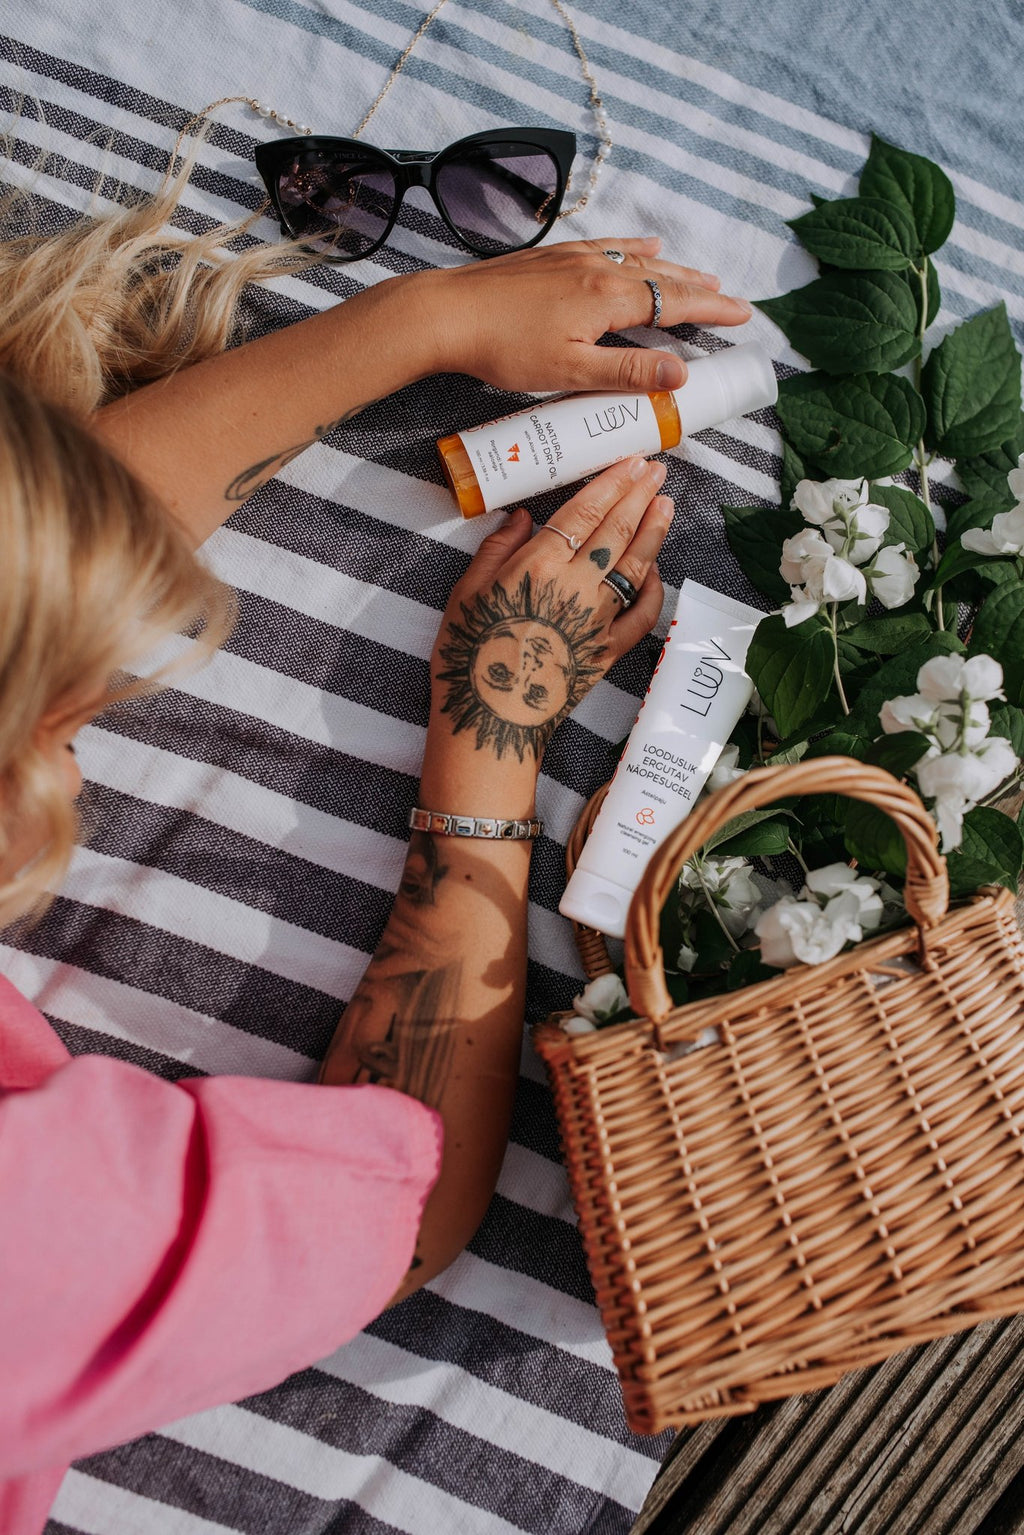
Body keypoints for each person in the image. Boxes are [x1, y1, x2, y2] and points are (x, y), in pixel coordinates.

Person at [0, 126, 752, 1531]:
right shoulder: (41, 1235)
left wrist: (432, 317)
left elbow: (39, 584)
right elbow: (389, 1221)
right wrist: (496, 731)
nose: (71, 722)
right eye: (45, 727)